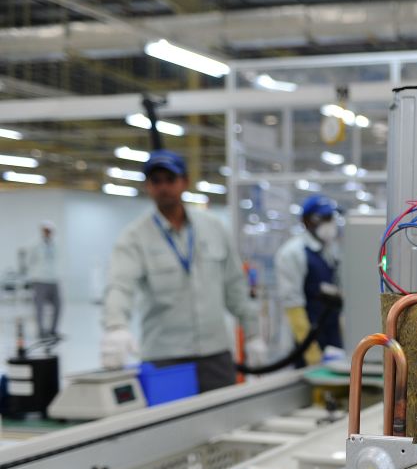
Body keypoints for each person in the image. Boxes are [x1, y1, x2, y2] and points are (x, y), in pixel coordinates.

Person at [100, 149, 267, 392]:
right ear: (148, 186)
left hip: (216, 356)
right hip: (165, 359)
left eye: (170, 179)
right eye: (156, 181)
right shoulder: (134, 238)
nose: (164, 187)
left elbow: (235, 287)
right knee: (169, 428)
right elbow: (120, 285)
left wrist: (253, 334)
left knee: (224, 425)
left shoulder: (214, 228)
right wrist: (116, 326)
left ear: (185, 182)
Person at [275, 195, 343, 367]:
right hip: (306, 341)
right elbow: (293, 307)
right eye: (324, 218)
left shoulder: (330, 250)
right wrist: (311, 353)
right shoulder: (293, 253)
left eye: (331, 218)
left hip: (331, 336)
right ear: (306, 221)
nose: (329, 223)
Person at [26, 220, 61, 339]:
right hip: (39, 279)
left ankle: (53, 330)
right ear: (42, 231)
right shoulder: (35, 244)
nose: (48, 232)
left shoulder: (55, 243)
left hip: (53, 279)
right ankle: (41, 331)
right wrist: (33, 273)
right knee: (39, 307)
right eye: (46, 230)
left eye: (50, 230)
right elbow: (29, 260)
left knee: (58, 305)